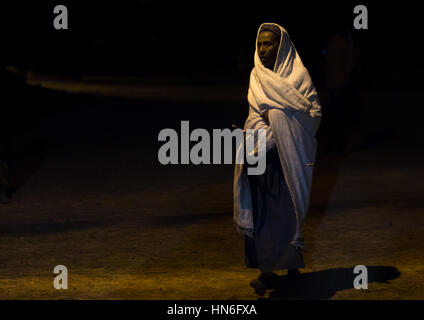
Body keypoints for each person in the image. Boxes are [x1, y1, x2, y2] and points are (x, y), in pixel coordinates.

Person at [233, 23, 322, 297]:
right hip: (262, 156)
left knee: (287, 210)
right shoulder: (256, 76)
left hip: (290, 156)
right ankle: (266, 271)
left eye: (269, 43)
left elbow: (313, 113)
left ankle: (292, 269)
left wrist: (279, 121)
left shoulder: (299, 77)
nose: (263, 49)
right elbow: (253, 115)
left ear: (281, 46)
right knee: (263, 213)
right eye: (259, 44)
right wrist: (259, 134)